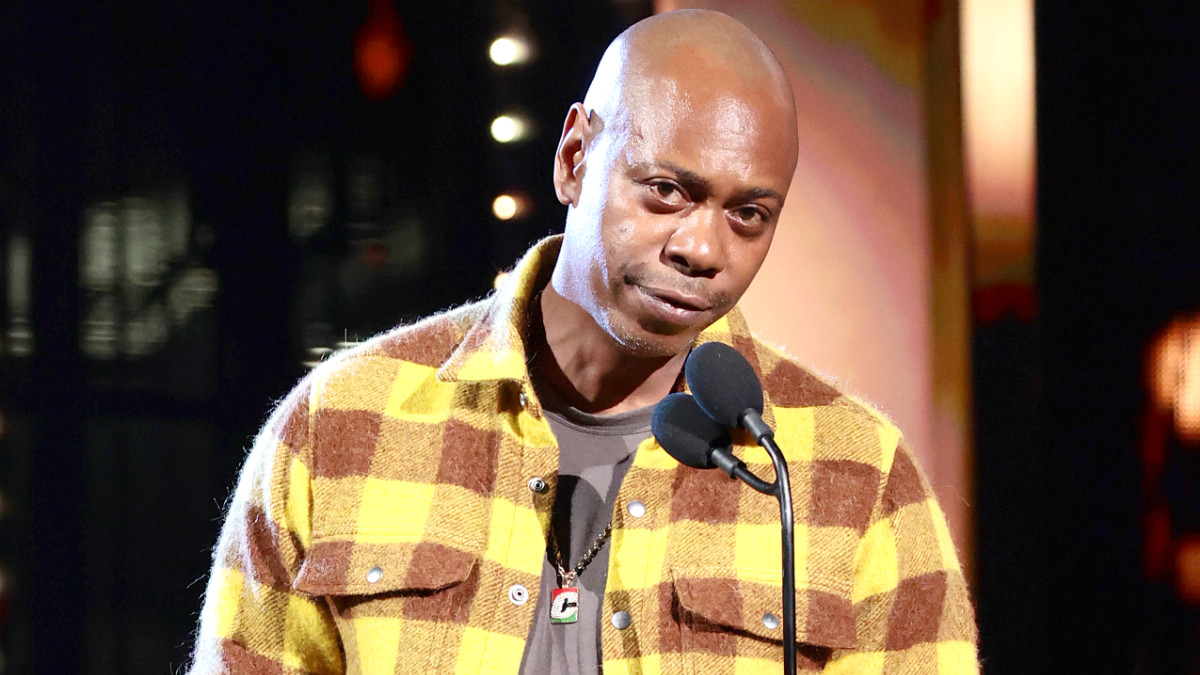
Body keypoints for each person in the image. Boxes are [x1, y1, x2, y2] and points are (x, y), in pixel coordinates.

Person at [188, 9, 978, 674]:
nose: (703, 248)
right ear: (574, 159)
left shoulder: (857, 473)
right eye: (667, 191)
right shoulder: (344, 427)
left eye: (749, 215)